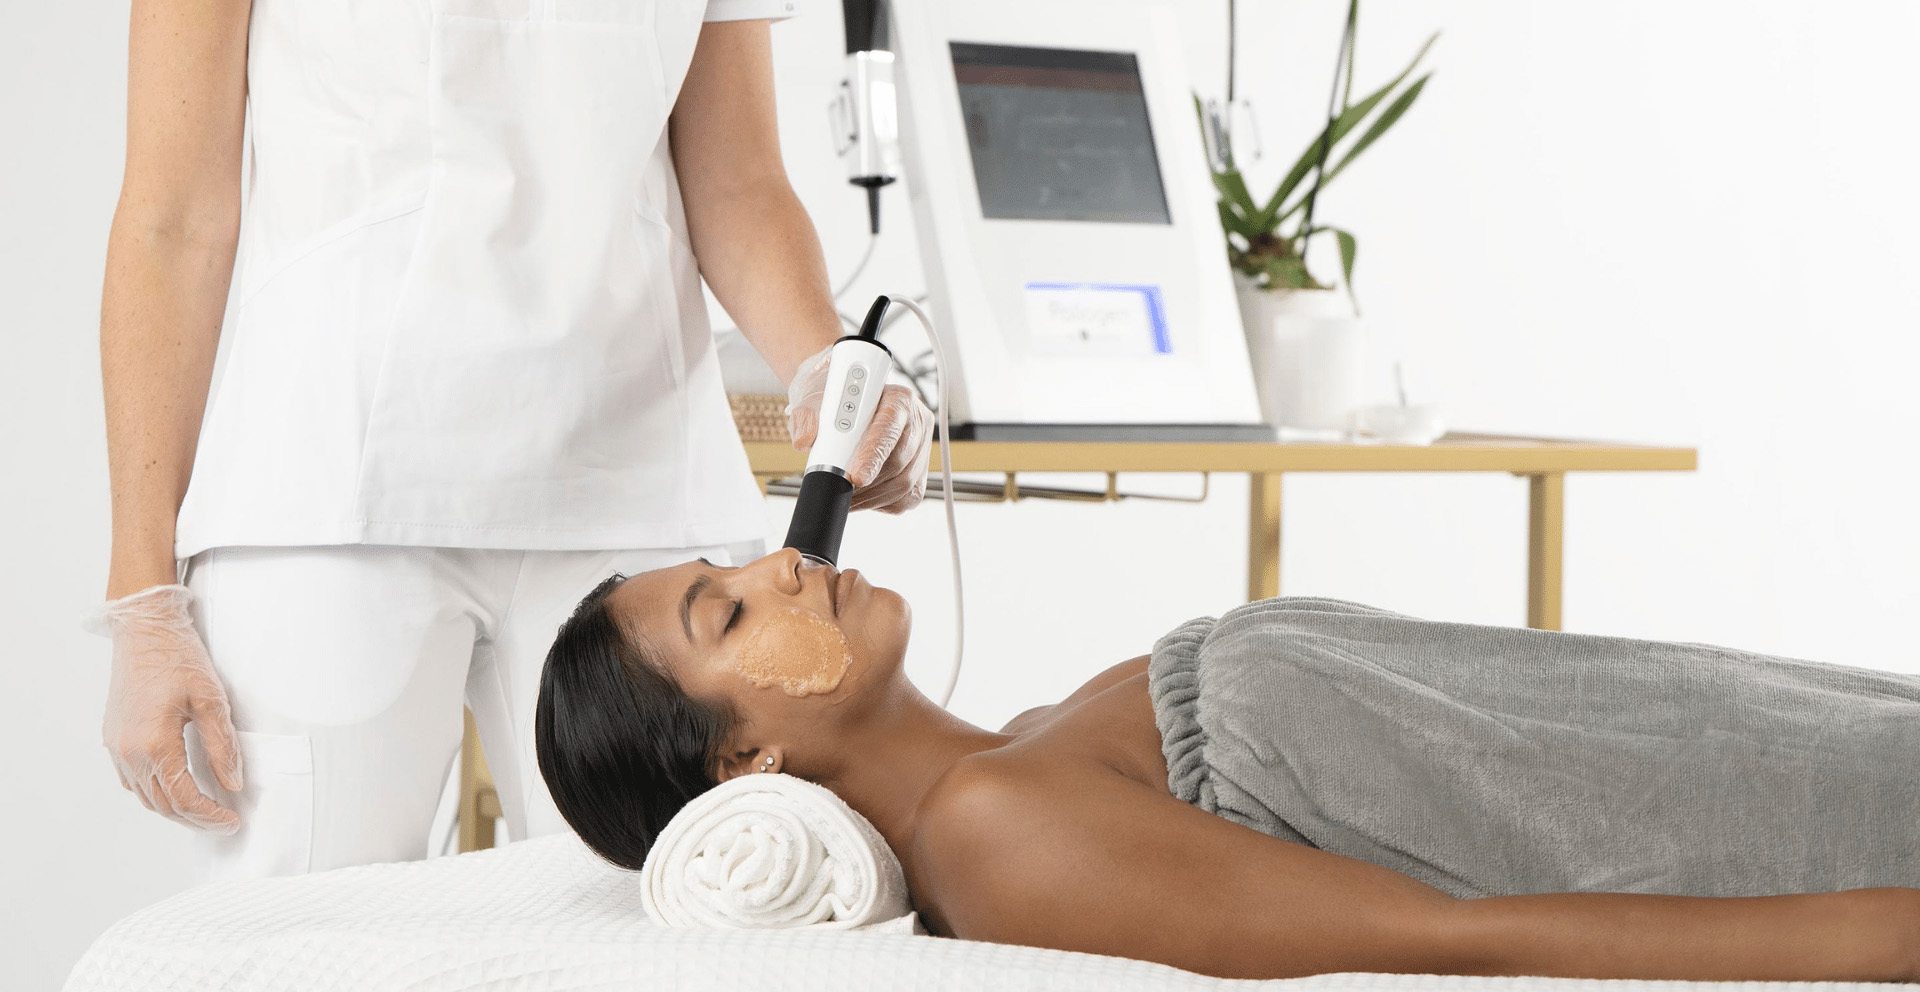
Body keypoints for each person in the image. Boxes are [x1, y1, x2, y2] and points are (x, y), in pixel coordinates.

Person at [84, 0, 932, 882]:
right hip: (326, 495)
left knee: (670, 916)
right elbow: (173, 220)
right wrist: (142, 598)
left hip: (640, 506)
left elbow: (736, 179)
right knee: (300, 923)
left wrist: (824, 361)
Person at [534, 549, 1920, 982]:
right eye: (727, 613)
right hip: (1817, 829)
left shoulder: (1036, 733)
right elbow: (1452, 941)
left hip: (1797, 723)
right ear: (744, 763)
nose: (786, 556)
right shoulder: (998, 830)